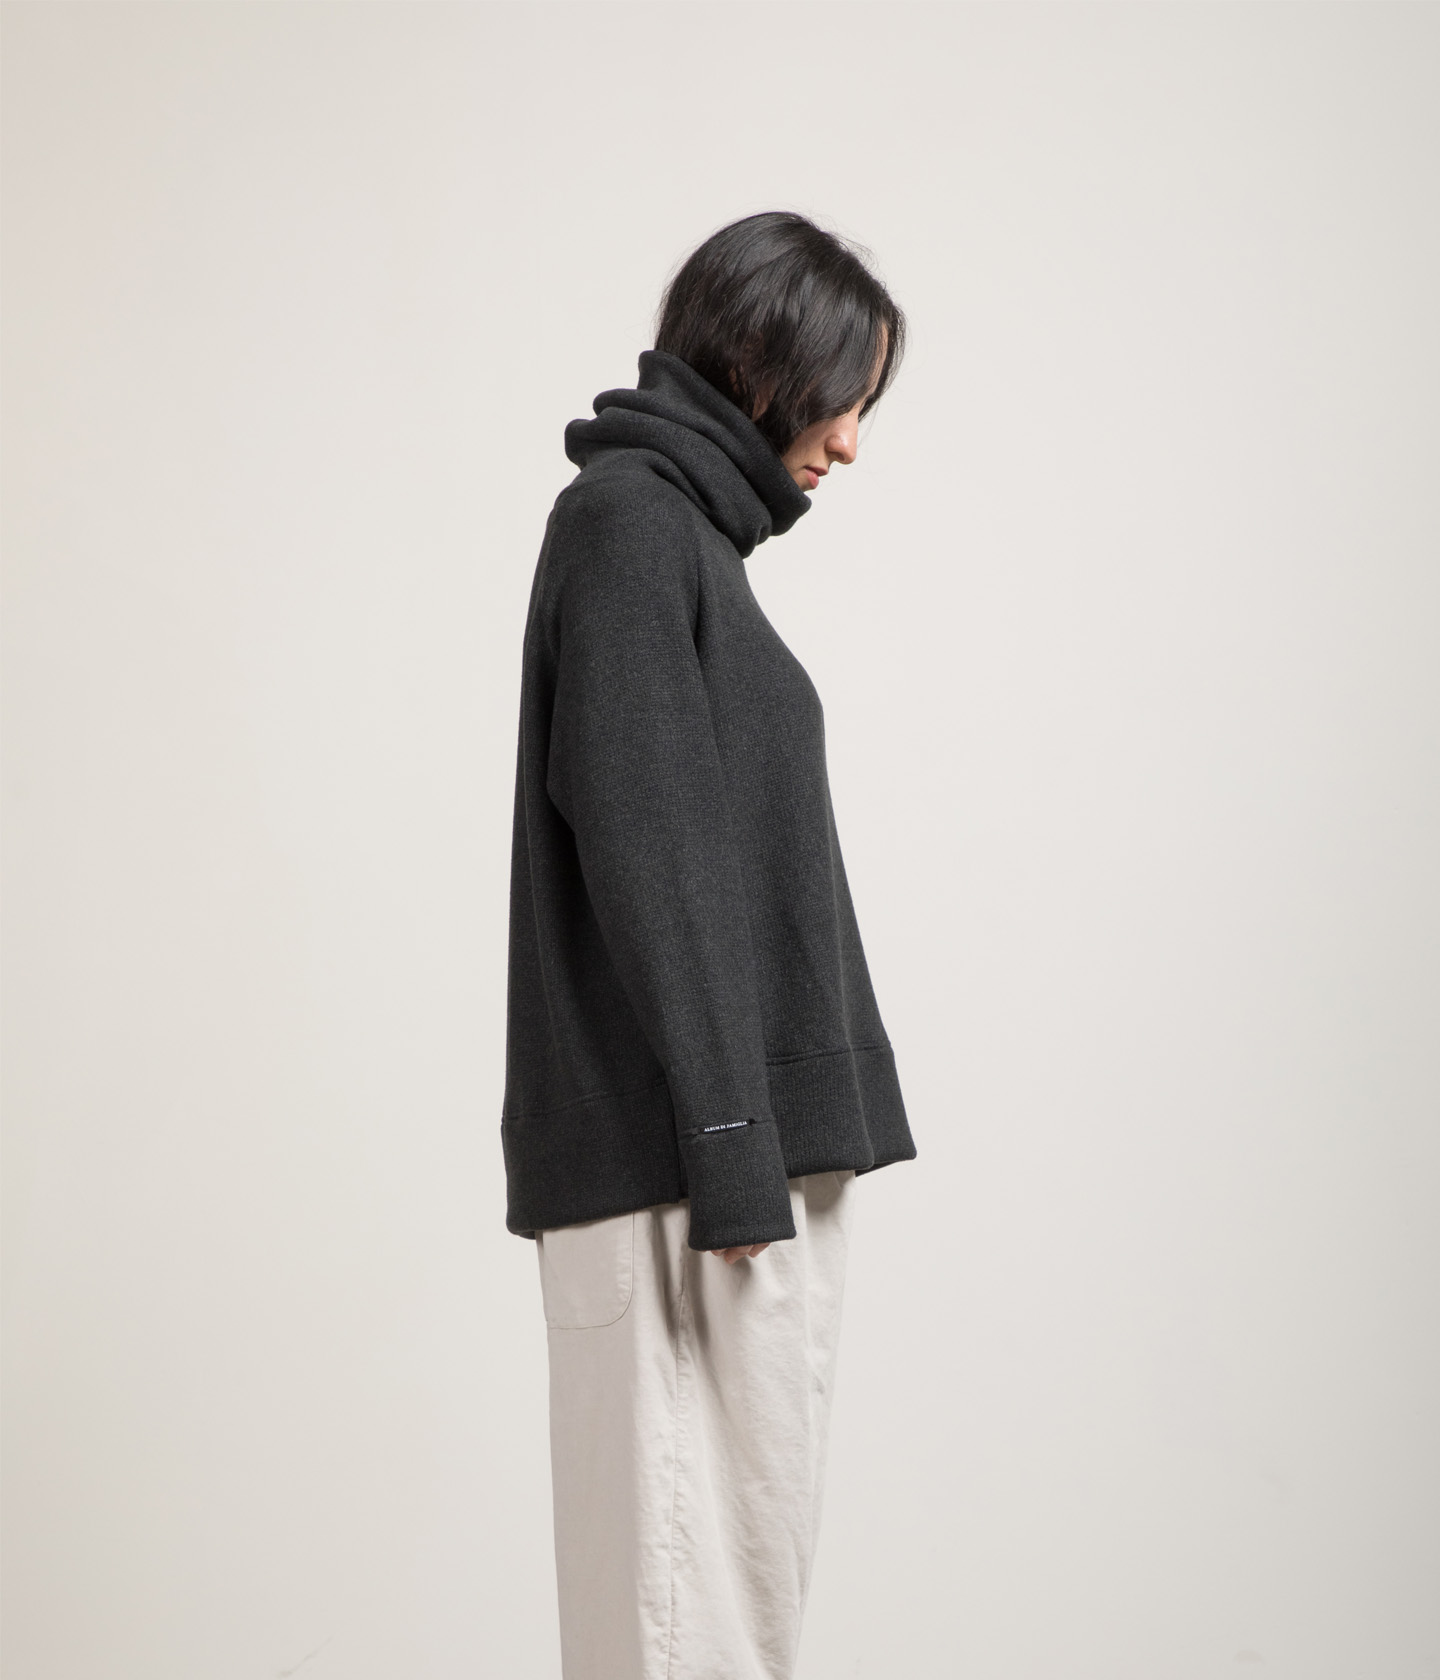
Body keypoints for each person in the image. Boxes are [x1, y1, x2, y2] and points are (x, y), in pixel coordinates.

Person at [501, 210, 918, 1680]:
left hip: (723, 1166)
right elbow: (651, 851)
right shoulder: (628, 528)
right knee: (682, 1629)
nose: (850, 443)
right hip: (690, 1173)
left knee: (724, 1618)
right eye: (844, 396)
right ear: (759, 360)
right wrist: (737, 1145)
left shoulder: (683, 543)